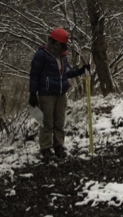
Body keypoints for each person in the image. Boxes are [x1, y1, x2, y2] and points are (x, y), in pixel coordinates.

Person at [29, 28, 90, 161]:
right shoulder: (41, 55)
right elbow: (34, 75)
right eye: (55, 42)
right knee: (47, 122)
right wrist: (33, 93)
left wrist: (80, 71)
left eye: (60, 44)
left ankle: (58, 146)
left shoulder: (62, 57)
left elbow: (65, 74)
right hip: (47, 94)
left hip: (61, 93)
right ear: (51, 41)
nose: (57, 46)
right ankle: (45, 148)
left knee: (59, 122)